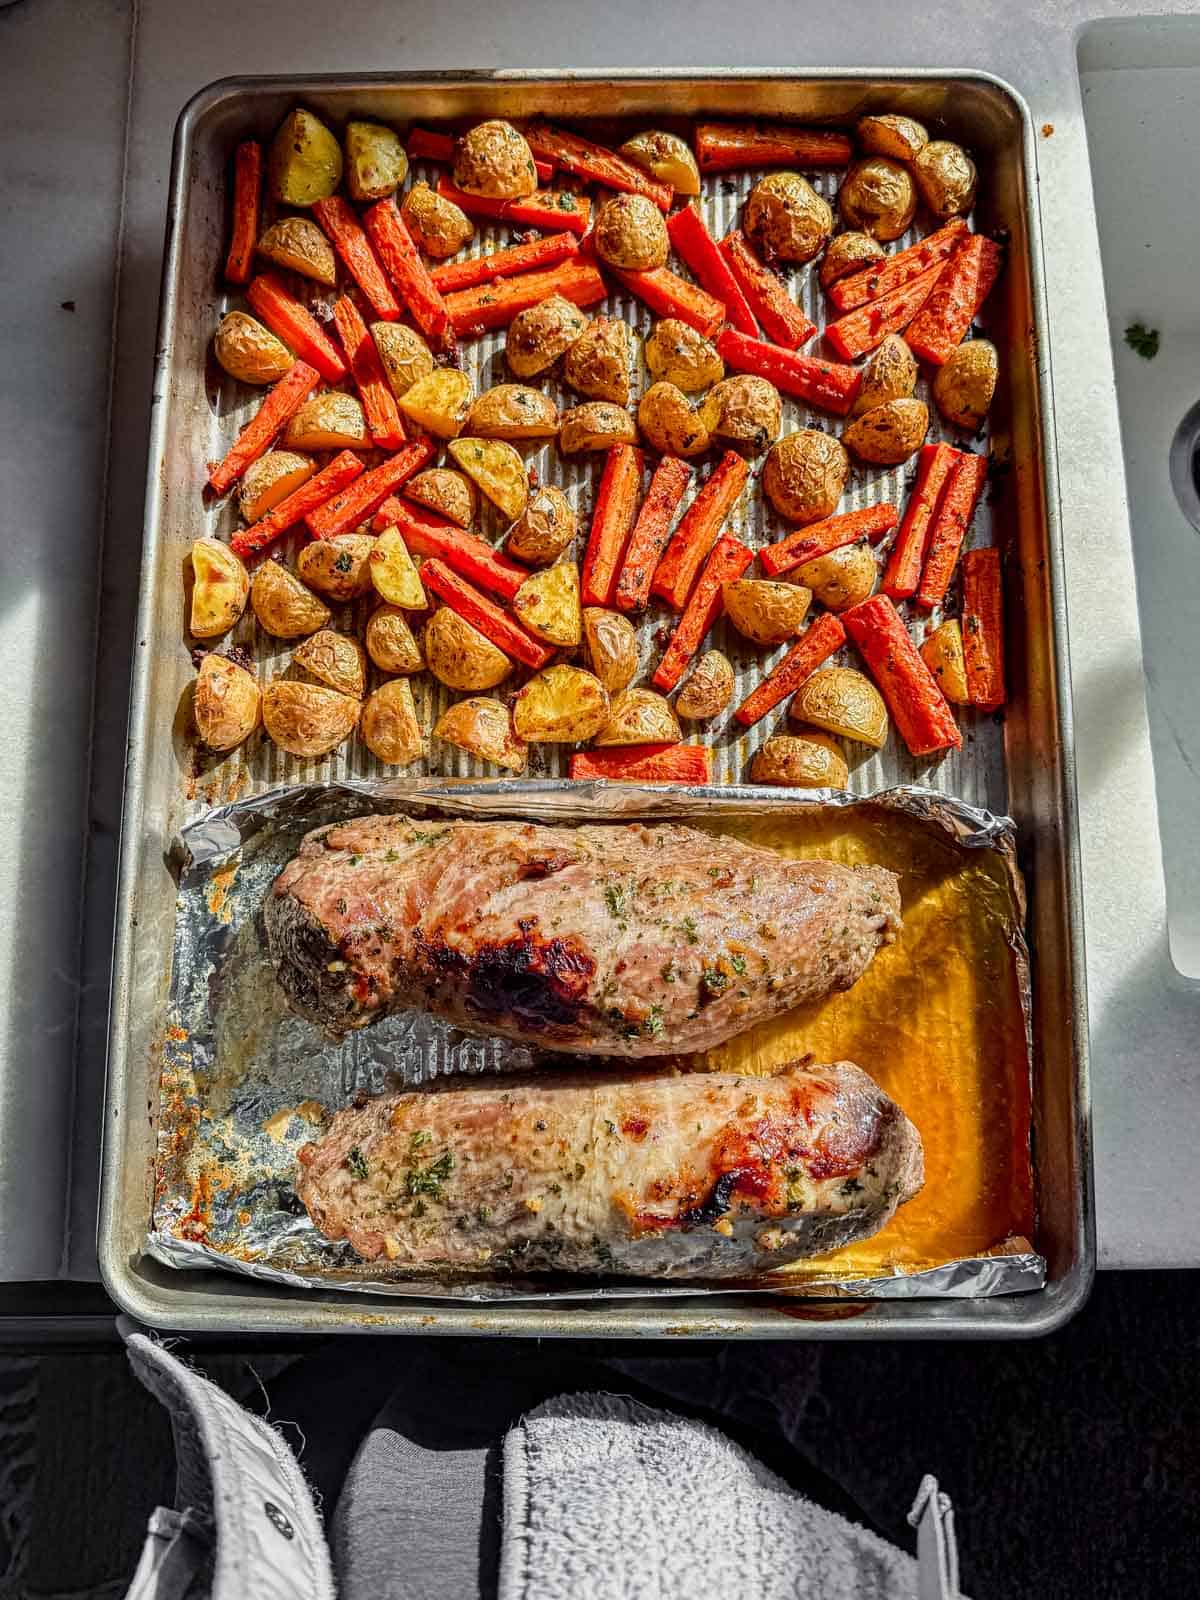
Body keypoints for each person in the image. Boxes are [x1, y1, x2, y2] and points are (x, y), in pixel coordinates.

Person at [121, 1326, 961, 1599]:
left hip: (347, 1539)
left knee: (373, 1385)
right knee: (726, 1473)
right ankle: (748, 1414)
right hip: (683, 1548)